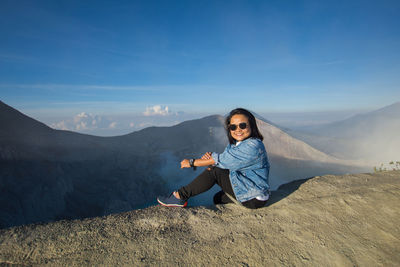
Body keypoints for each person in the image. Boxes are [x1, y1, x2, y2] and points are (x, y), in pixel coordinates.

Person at [157, 108, 270, 209]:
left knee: (215, 171)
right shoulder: (236, 144)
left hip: (254, 197)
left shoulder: (253, 145)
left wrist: (192, 163)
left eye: (243, 125)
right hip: (249, 191)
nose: (238, 130)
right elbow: (226, 161)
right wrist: (211, 159)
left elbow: (220, 162)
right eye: (233, 127)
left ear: (252, 125)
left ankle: (179, 196)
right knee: (218, 198)